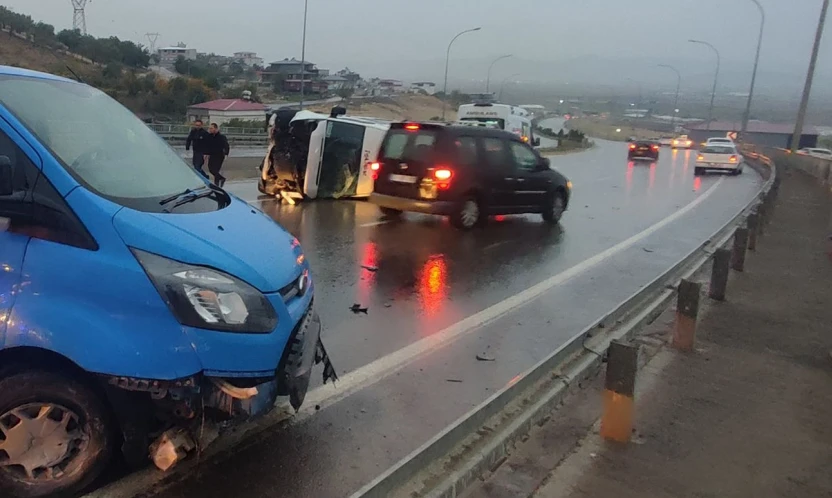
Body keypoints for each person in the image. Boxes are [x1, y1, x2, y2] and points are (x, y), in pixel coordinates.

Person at [206, 123, 230, 187]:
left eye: (211, 128)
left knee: (215, 170)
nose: (210, 130)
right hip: (212, 155)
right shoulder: (209, 136)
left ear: (216, 128)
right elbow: (207, 146)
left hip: (219, 155)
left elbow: (226, 146)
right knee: (211, 169)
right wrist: (206, 154)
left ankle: (216, 185)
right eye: (209, 128)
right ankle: (221, 178)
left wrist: (226, 154)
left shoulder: (221, 137)